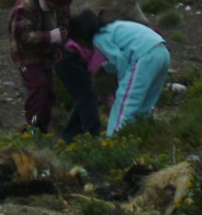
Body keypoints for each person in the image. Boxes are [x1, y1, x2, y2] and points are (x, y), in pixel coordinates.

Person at [69, 8, 171, 136]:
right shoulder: (113, 28)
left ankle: (114, 140)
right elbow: (122, 55)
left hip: (144, 56)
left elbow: (121, 62)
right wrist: (106, 68)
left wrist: (121, 87)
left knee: (125, 104)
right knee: (145, 104)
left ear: (81, 38)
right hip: (162, 52)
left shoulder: (98, 38)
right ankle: (141, 135)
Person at [7, 0, 77, 134]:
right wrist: (52, 36)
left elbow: (65, 25)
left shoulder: (61, 3)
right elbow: (23, 38)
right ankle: (31, 129)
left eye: (61, 5)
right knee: (39, 87)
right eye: (54, 3)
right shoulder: (26, 6)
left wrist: (60, 46)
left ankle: (42, 130)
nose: (56, 7)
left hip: (47, 53)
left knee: (49, 93)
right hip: (25, 54)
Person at [54, 35, 107, 142]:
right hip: (69, 57)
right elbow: (95, 69)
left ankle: (69, 137)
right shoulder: (111, 44)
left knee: (84, 98)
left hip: (66, 57)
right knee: (88, 95)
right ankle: (92, 137)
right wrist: (106, 98)